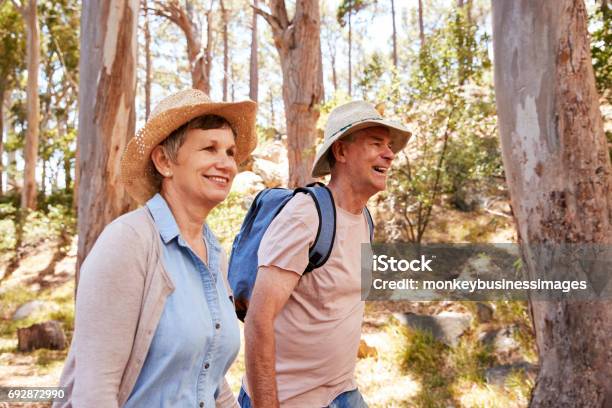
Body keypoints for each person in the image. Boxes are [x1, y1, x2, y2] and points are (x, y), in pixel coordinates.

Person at [54, 89, 257, 408]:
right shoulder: (128, 242)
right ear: (164, 161)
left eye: (231, 152)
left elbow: (211, 381)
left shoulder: (213, 253)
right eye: (210, 148)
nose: (226, 163)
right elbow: (94, 393)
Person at [241, 101, 411, 407]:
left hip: (342, 391)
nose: (389, 154)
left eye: (389, 145)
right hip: (291, 400)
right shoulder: (306, 216)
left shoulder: (364, 218)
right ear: (341, 152)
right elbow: (258, 320)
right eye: (376, 143)